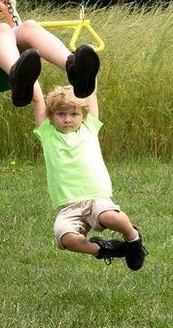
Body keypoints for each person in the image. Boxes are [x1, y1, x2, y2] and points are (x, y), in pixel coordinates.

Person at [31, 82, 145, 269]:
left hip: (95, 197)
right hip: (68, 206)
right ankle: (104, 249)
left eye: (74, 114)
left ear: (83, 115)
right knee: (66, 239)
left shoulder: (89, 128)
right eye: (61, 114)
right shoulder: (47, 133)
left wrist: (82, 69)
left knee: (112, 218)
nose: (67, 119)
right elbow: (36, 99)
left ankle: (134, 240)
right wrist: (26, 71)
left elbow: (90, 88)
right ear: (51, 116)